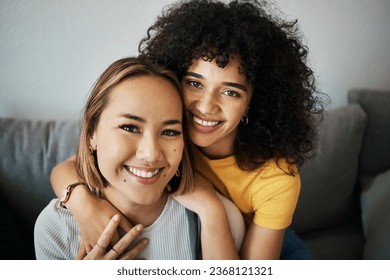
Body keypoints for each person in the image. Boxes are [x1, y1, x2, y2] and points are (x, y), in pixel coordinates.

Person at [50, 0, 328, 259]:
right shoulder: (163, 135)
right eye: (195, 83)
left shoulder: (278, 177)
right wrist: (83, 203)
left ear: (255, 102)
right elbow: (71, 166)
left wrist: (211, 207)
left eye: (230, 92)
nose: (206, 107)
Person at [34, 56, 243, 260]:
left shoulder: (219, 218)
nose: (151, 154)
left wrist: (212, 213)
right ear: (91, 134)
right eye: (129, 127)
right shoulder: (56, 228)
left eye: (170, 132)